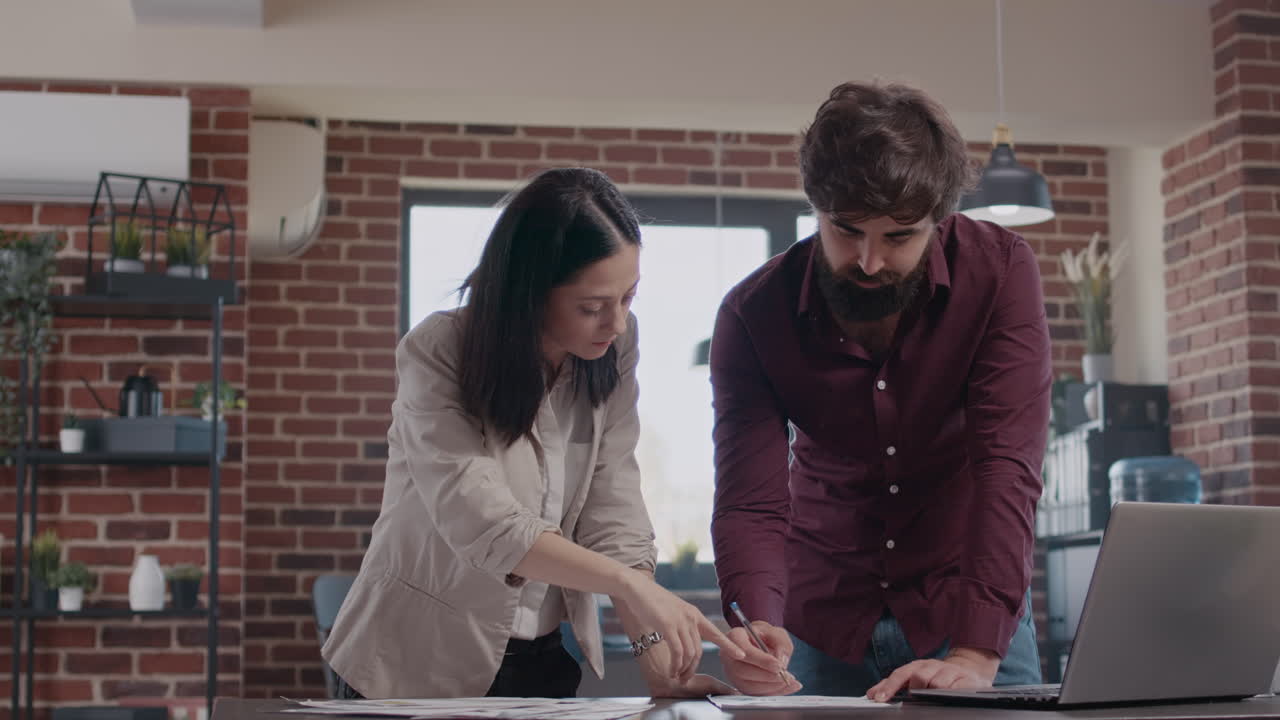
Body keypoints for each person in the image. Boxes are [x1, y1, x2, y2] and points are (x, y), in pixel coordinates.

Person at [323, 168, 743, 699]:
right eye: (591, 307)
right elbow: (480, 519)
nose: (615, 322)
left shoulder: (614, 348)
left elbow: (614, 508)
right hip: (408, 661)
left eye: (629, 298)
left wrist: (654, 657)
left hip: (540, 660)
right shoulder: (439, 350)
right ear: (529, 293)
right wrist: (626, 583)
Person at [709, 82, 1051, 701]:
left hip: (966, 608)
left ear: (939, 219)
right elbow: (750, 502)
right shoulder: (752, 314)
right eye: (846, 231)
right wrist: (755, 624)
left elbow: (1007, 464)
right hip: (822, 620)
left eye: (899, 237)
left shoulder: (999, 273)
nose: (868, 262)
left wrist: (975, 653)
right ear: (815, 205)